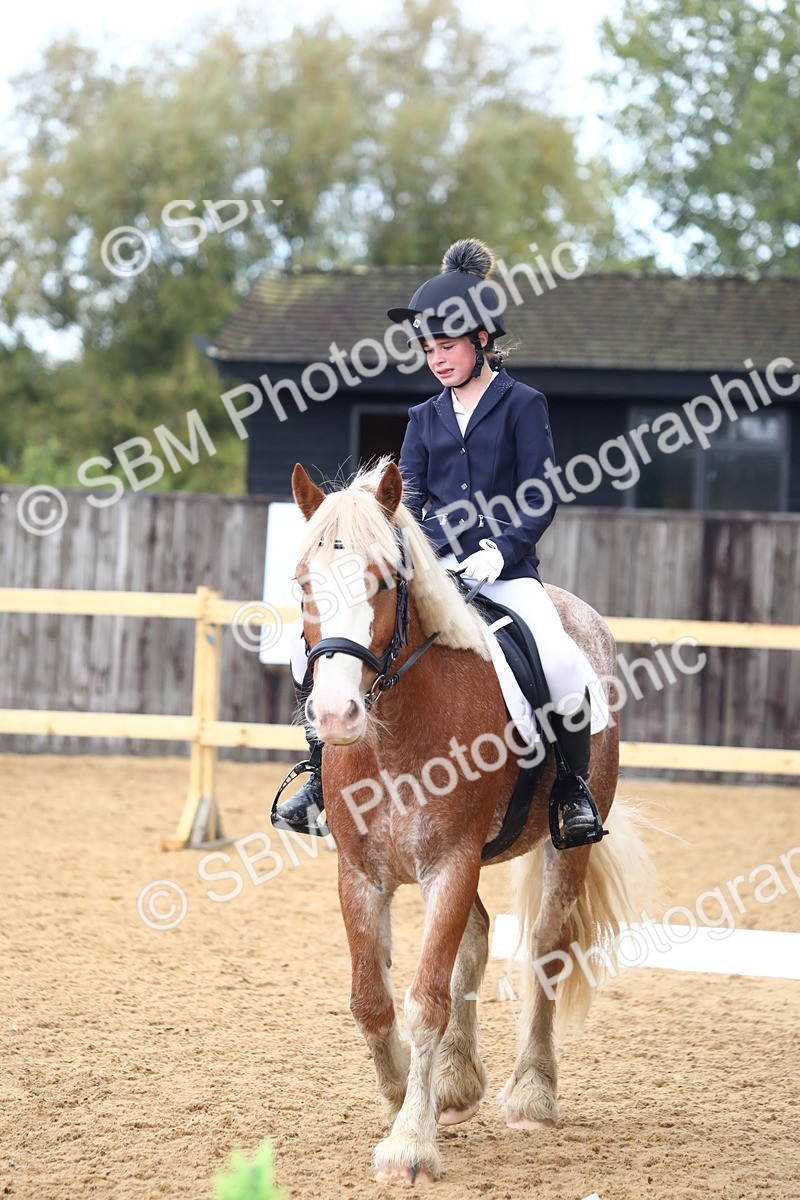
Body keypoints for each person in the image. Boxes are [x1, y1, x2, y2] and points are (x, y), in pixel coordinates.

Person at [273, 237, 601, 848]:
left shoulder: (523, 405)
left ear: (481, 340)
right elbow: (411, 498)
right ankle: (320, 780)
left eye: (446, 345)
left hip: (506, 572)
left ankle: (572, 790)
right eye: (428, 348)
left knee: (559, 658)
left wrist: (500, 550)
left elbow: (540, 494)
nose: (436, 358)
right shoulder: (423, 417)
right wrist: (409, 548)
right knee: (306, 651)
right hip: (436, 570)